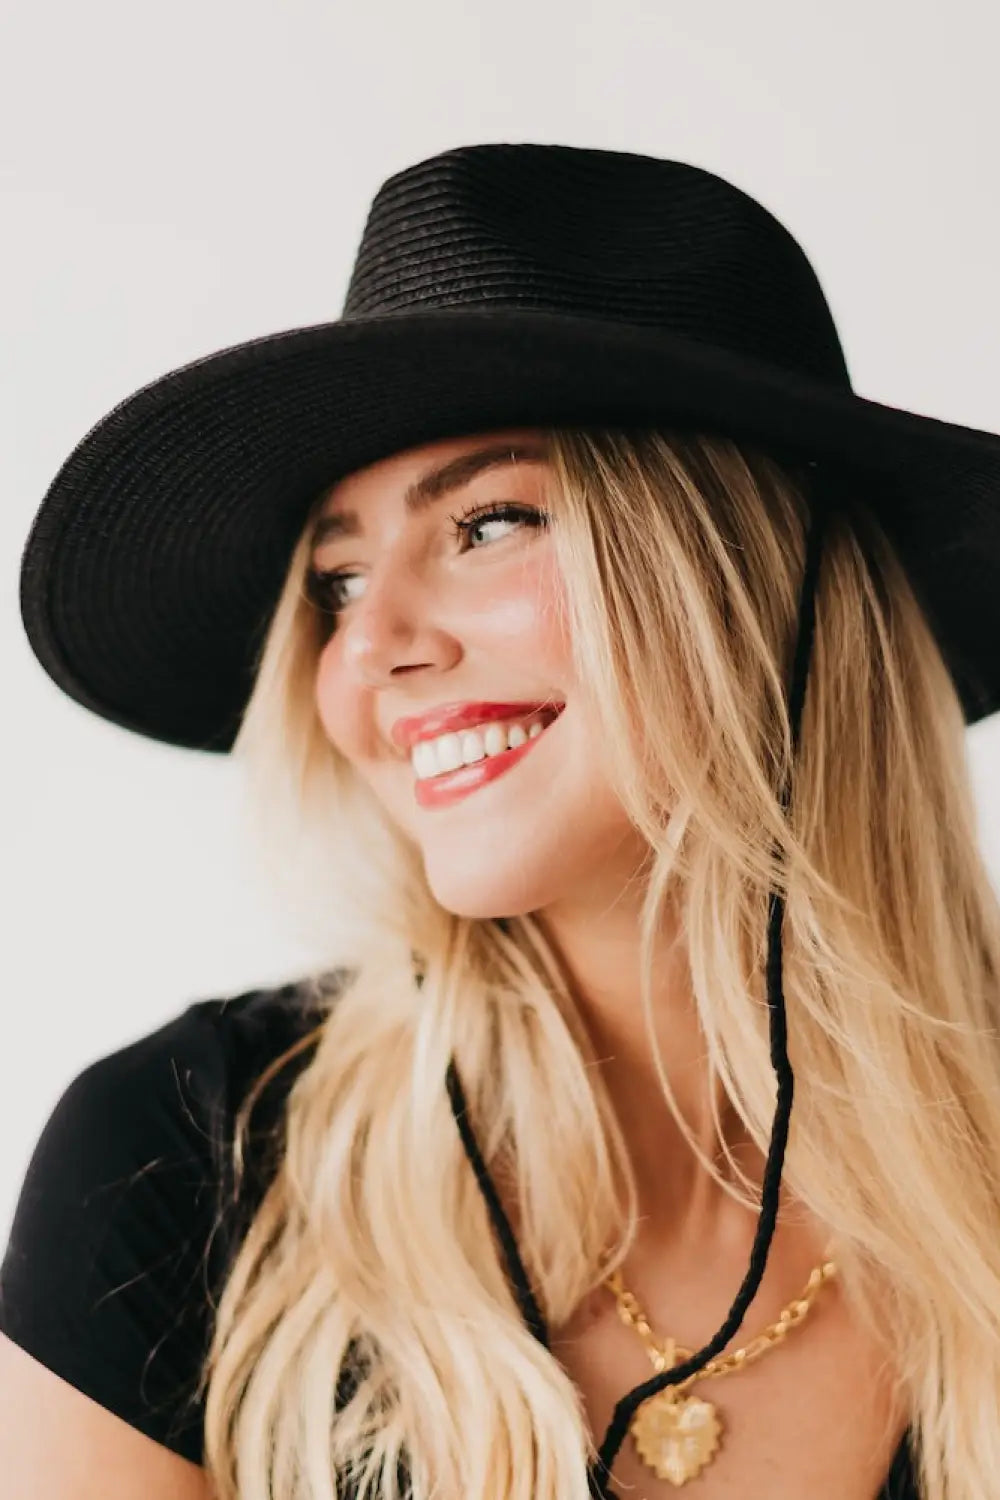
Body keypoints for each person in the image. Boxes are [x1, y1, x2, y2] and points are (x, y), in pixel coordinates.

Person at [3, 142, 1000, 1500]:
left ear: (748, 578)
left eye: (486, 525)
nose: (370, 652)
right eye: (337, 584)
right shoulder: (185, 1166)